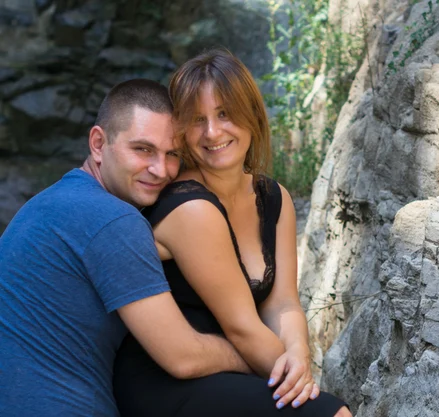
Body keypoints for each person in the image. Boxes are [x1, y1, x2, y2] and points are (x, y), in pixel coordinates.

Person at [113, 50, 351, 416]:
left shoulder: (274, 198)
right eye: (197, 119)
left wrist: (299, 352)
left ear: (252, 115)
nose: (212, 132)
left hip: (237, 370)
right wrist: (301, 382)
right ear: (181, 132)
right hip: (167, 384)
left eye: (224, 113)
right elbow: (241, 329)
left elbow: (283, 303)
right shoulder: (191, 208)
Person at [0, 79, 253, 417]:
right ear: (98, 143)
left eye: (172, 154)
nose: (160, 170)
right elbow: (183, 356)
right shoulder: (113, 219)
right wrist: (251, 357)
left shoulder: (45, 204)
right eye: (143, 149)